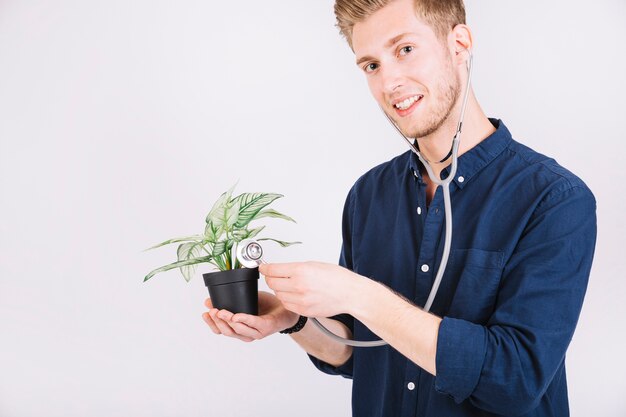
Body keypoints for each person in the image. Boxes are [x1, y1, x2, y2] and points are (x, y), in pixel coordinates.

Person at [202, 0, 597, 415]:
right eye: (371, 65)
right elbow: (360, 352)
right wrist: (295, 319)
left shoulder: (554, 199)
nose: (389, 81)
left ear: (459, 44)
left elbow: (514, 381)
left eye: (405, 49)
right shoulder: (368, 195)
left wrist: (360, 295)